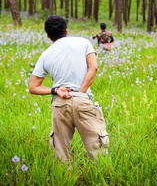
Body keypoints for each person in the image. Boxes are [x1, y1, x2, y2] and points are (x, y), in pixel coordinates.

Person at [29, 15, 109, 164]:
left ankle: (64, 178)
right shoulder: (83, 42)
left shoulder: (45, 54)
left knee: (60, 155)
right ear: (66, 31)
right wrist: (81, 91)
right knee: (99, 152)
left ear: (47, 35)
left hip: (60, 103)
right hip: (83, 101)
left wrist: (55, 90)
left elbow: (33, 87)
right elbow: (94, 67)